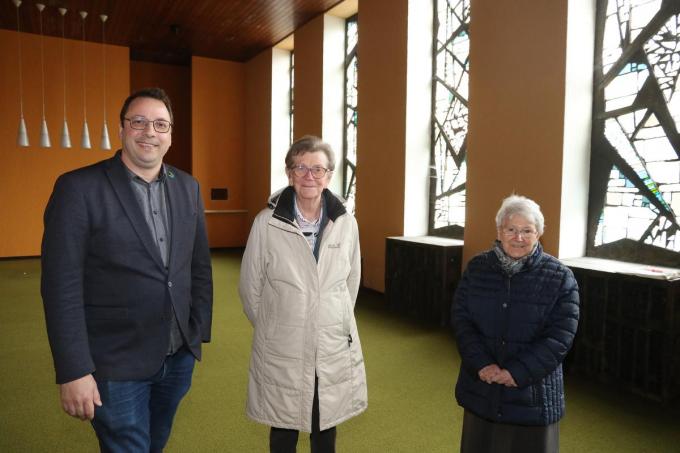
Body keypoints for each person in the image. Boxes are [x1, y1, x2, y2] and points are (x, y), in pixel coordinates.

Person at [41, 87, 213, 452]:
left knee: (154, 443)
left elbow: (198, 267)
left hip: (177, 356)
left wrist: (196, 333)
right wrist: (74, 368)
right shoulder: (78, 188)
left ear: (170, 135)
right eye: (139, 121)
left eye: (160, 124)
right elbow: (61, 287)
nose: (150, 131)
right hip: (114, 364)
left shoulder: (188, 187)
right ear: (121, 129)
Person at [239, 135, 367, 453]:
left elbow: (350, 284)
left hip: (331, 341)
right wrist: (278, 324)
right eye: (301, 167)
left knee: (325, 425)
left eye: (317, 169)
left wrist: (330, 318)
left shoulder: (346, 223)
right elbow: (250, 288)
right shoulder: (266, 223)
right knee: (283, 425)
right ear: (289, 173)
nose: (309, 176)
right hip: (284, 342)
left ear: (329, 175)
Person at [451, 194, 579, 453]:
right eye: (511, 229)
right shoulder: (477, 268)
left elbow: (561, 337)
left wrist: (517, 372)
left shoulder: (560, 277)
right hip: (482, 388)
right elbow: (461, 318)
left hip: (533, 394)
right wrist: (482, 364)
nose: (518, 237)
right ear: (499, 231)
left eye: (527, 230)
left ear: (539, 233)